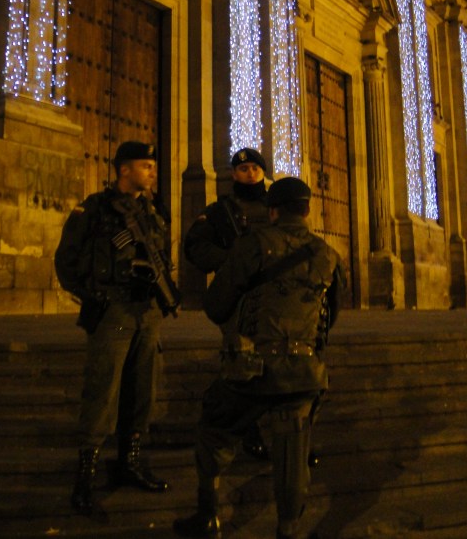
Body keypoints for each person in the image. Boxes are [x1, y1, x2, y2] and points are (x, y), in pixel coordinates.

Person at [174, 177, 345, 539]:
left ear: (272, 210)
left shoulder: (253, 245)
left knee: (214, 425)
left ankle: (208, 515)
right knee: (294, 450)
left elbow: (216, 306)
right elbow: (333, 313)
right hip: (304, 372)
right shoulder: (327, 254)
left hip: (252, 371)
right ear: (307, 209)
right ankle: (288, 529)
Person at [55, 141, 173, 516]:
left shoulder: (153, 212)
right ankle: (86, 476)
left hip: (146, 311)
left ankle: (129, 462)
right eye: (145, 166)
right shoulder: (94, 209)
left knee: (141, 389)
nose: (152, 172)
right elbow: (66, 260)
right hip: (114, 310)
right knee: (102, 391)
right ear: (124, 170)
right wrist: (92, 296)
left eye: (152, 166)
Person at [183, 147, 270, 460]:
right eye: (243, 169)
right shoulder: (221, 211)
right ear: (234, 174)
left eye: (255, 169)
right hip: (238, 298)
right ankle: (248, 430)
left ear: (263, 172)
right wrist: (229, 263)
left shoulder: (276, 208)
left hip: (273, 298)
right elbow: (194, 246)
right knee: (241, 362)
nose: (249, 174)